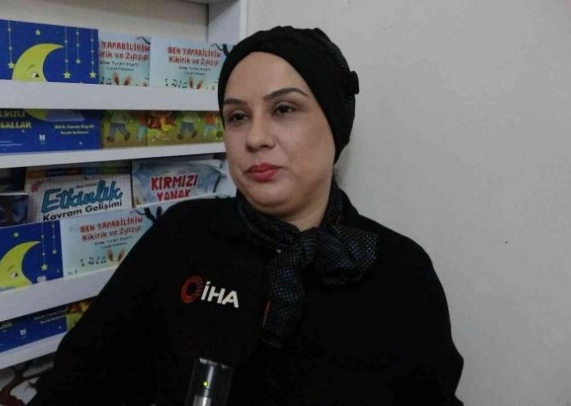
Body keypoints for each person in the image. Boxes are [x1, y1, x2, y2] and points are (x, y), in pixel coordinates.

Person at [30, 26, 464, 405]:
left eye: (284, 109)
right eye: (237, 116)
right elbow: (76, 381)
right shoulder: (181, 237)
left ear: (335, 123)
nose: (255, 138)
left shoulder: (400, 271)